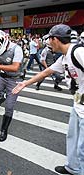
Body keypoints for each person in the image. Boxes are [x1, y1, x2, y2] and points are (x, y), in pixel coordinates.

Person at [12, 24, 84, 175]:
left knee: (82, 145)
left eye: (49, 40)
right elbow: (46, 72)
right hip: (78, 104)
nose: (48, 43)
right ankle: (73, 167)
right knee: (72, 136)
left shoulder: (78, 52)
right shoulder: (65, 57)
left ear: (55, 39)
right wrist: (25, 83)